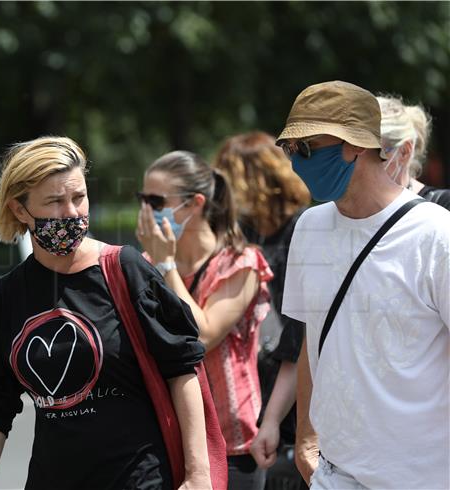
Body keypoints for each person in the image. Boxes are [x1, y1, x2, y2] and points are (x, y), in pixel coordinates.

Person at [0, 136, 213, 490]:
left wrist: (198, 475)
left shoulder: (125, 270)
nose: (71, 213)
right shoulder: (4, 299)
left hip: (139, 480)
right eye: (54, 201)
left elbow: (182, 368)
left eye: (78, 197)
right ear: (20, 209)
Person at [277, 80, 450, 489]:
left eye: (306, 148)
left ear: (354, 146)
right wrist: (305, 442)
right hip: (333, 476)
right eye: (289, 149)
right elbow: (312, 339)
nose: (295, 162)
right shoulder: (309, 227)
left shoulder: (436, 236)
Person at [135, 151, 273, 490]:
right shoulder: (147, 263)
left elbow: (203, 335)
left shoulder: (241, 262)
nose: (147, 211)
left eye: (156, 201)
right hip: (172, 438)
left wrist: (167, 266)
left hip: (232, 443)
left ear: (195, 203)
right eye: (143, 199)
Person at [211, 132, 311, 479]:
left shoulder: (304, 229)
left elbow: (299, 326)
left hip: (292, 379)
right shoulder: (243, 234)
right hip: (257, 381)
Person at [378, 94, 450, 210]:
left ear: (404, 152)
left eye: (375, 152)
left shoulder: (443, 206)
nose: (359, 163)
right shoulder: (346, 205)